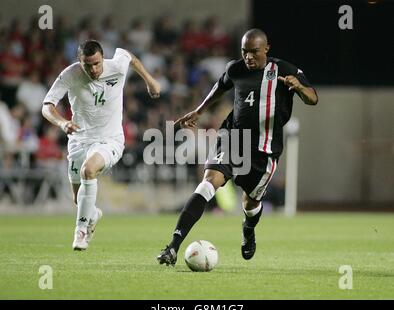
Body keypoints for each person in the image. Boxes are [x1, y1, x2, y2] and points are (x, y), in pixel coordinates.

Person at [157, 28, 318, 266]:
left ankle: (248, 229)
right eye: (245, 51)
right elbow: (219, 87)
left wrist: (300, 88)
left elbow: (313, 98)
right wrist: (199, 111)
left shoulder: (284, 70)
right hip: (233, 138)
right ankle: (173, 246)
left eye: (254, 52)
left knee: (251, 202)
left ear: (266, 49)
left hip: (264, 148)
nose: (249, 57)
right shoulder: (236, 68)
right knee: (208, 182)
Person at [42, 40, 160, 250]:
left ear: (102, 58)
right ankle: (93, 214)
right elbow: (47, 106)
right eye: (88, 65)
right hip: (79, 141)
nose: (93, 69)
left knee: (89, 170)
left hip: (110, 139)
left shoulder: (116, 65)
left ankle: (80, 231)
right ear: (80, 62)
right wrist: (62, 123)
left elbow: (128, 56)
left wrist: (150, 81)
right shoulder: (70, 74)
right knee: (80, 201)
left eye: (97, 63)